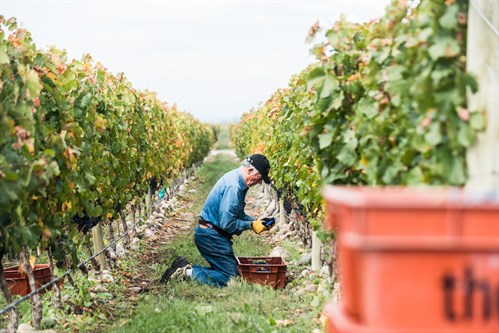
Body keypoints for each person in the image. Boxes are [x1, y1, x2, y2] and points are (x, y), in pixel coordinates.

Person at [160, 153, 273, 287]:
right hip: (211, 237)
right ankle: (186, 272)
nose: (259, 182)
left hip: (210, 233)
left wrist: (257, 221)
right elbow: (227, 223)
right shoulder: (234, 187)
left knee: (228, 271)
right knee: (231, 278)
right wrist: (251, 225)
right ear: (250, 170)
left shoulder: (236, 180)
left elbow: (236, 214)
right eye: (259, 178)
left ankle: (184, 267)